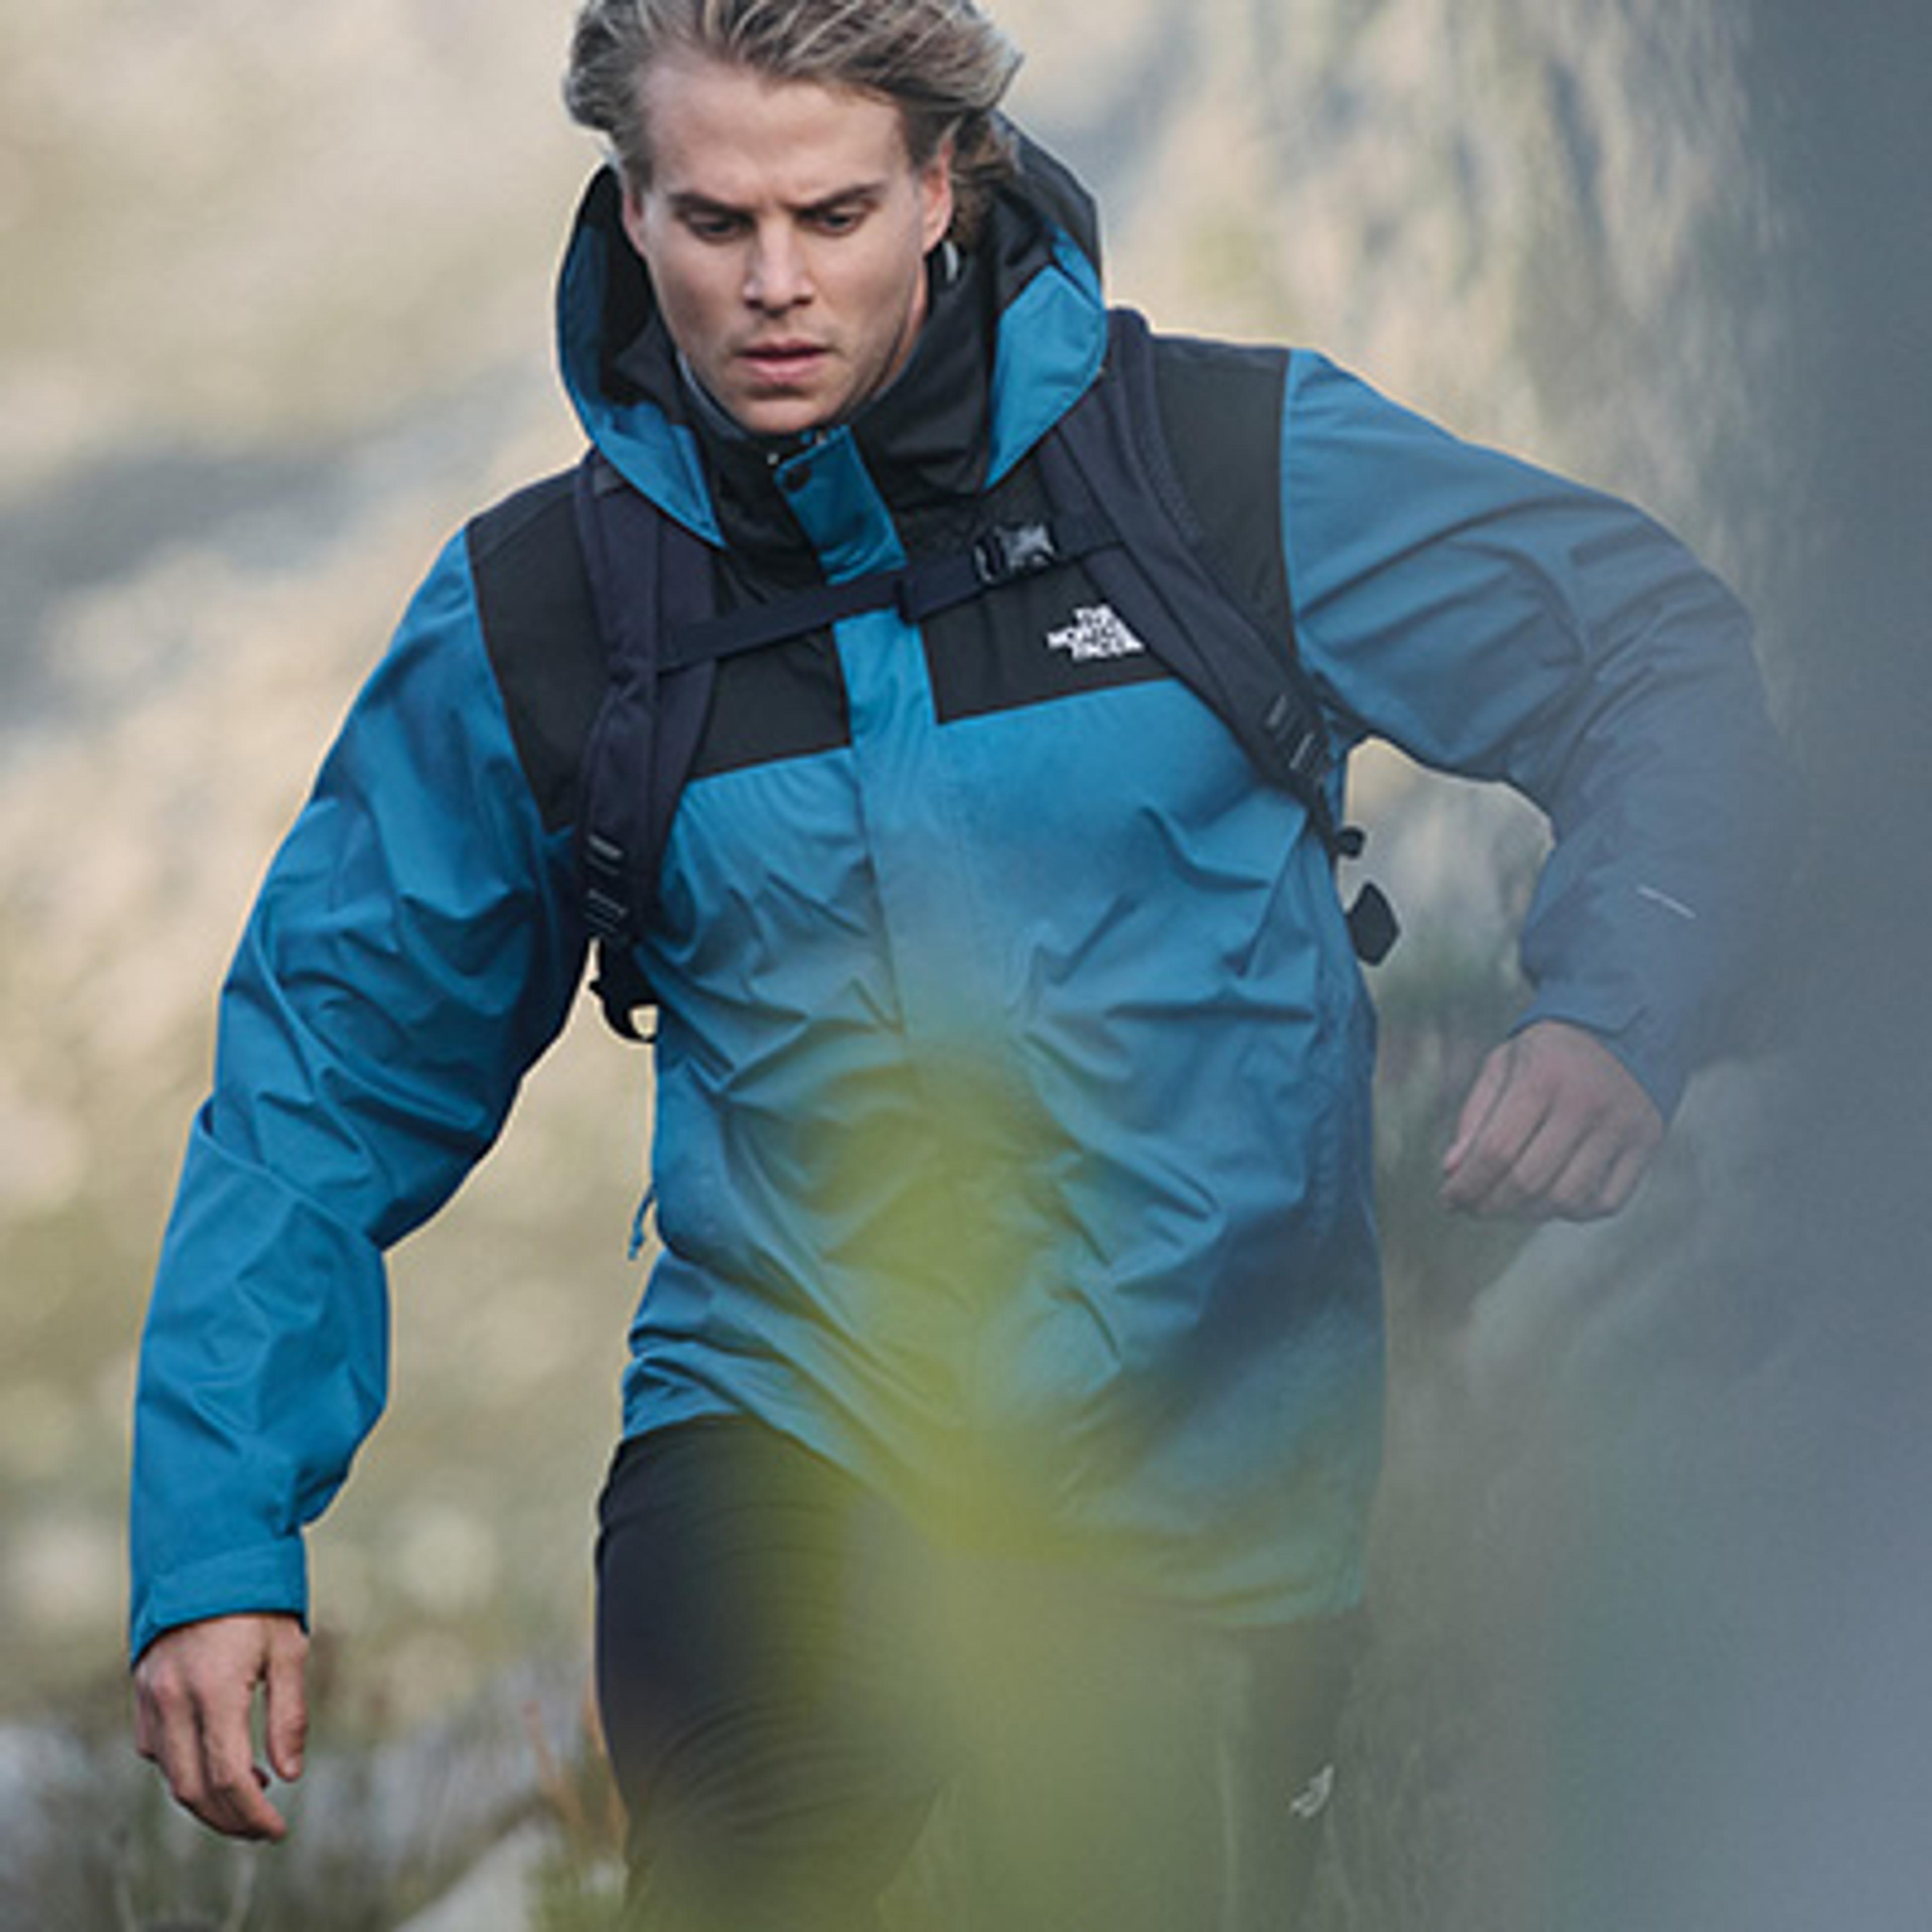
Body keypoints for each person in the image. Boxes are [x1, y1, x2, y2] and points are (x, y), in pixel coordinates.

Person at [128, 0, 1786, 1923]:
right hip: (778, 1428)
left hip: (1216, 1491)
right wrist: (218, 1535)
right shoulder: (558, 613)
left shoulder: (1218, 471)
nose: (771, 286)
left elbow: (1648, 653)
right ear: (628, 204)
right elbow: (326, 1073)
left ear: (944, 185)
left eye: (831, 215)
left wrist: (1614, 1003)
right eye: (711, 220)